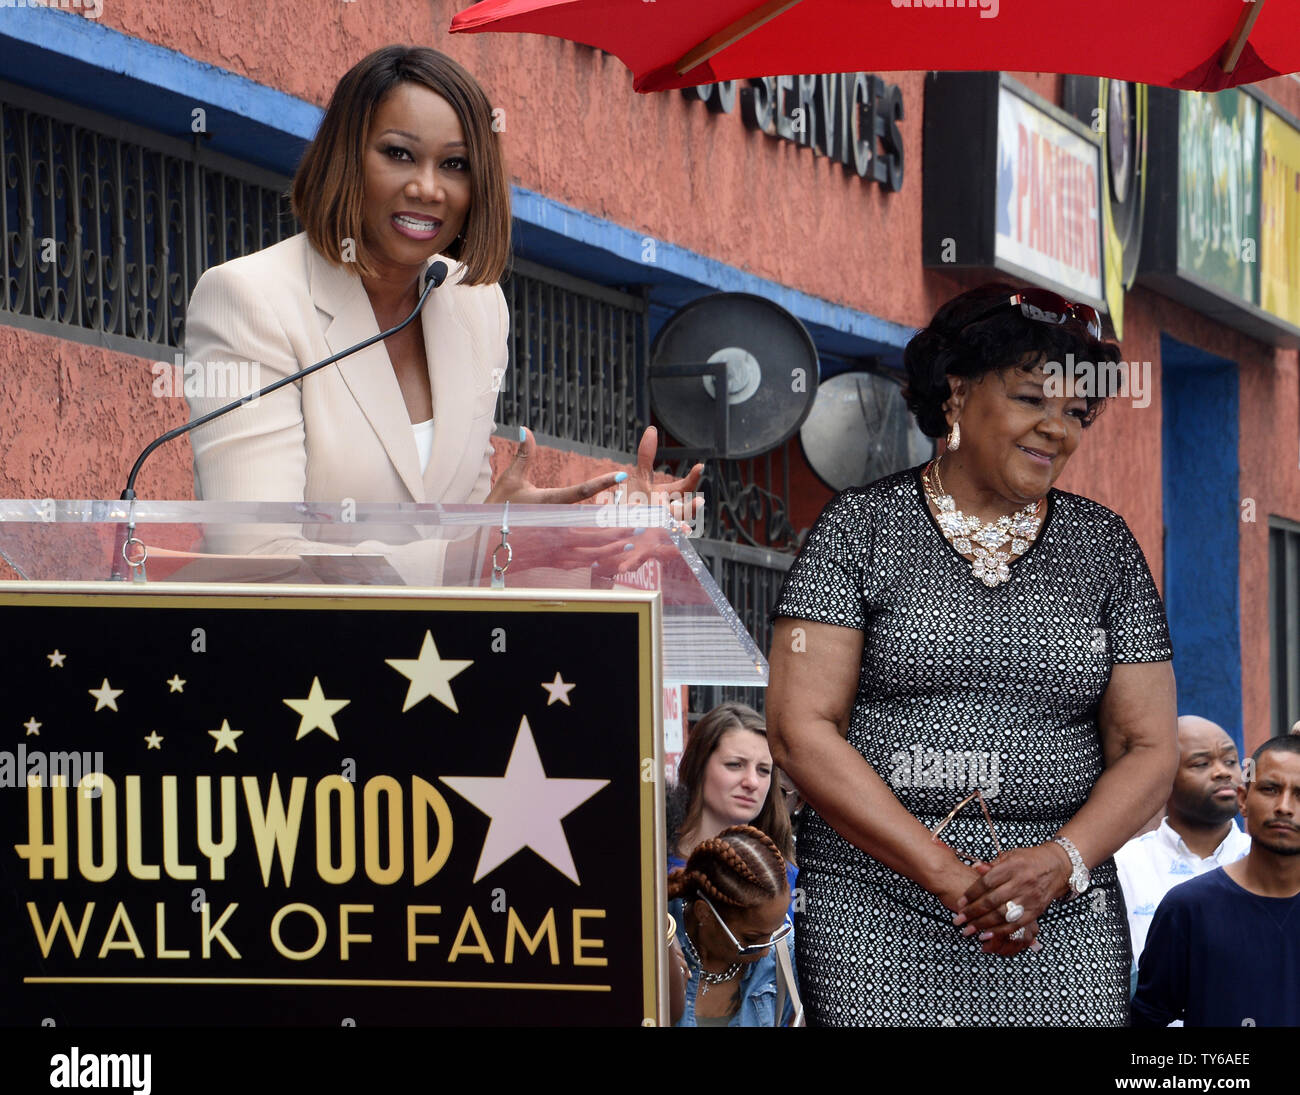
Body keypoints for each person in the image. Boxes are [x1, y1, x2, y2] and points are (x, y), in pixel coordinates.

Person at [766, 283, 1178, 1026]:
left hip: (1061, 913)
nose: (1057, 429)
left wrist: (1061, 861)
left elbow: (1149, 746)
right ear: (956, 394)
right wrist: (950, 877)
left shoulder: (1106, 548)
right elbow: (801, 730)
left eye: (1076, 412)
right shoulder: (859, 529)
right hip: (876, 906)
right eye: (1031, 399)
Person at [183, 46, 701, 542]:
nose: (428, 188)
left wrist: (597, 529)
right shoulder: (249, 299)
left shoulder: (476, 303)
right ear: (346, 158)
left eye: (455, 164)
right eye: (399, 154)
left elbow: (459, 537)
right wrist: (475, 543)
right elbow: (253, 550)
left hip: (439, 638)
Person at [1132, 735, 1300, 1027]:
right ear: (1243, 800)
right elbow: (1149, 1018)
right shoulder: (1188, 907)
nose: (1284, 807)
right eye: (1271, 789)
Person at [1115, 715, 1250, 1005]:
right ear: (1164, 778)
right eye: (1201, 764)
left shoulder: (1269, 862)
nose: (1222, 773)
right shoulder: (1123, 865)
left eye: (1230, 761)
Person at [668, 825, 799, 1027]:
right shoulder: (659, 942)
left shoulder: (785, 959)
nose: (766, 951)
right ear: (705, 913)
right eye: (752, 939)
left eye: (776, 931)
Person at [667, 703, 797, 898]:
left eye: (763, 770)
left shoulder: (783, 875)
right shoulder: (653, 866)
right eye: (735, 765)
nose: (752, 782)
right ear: (699, 767)